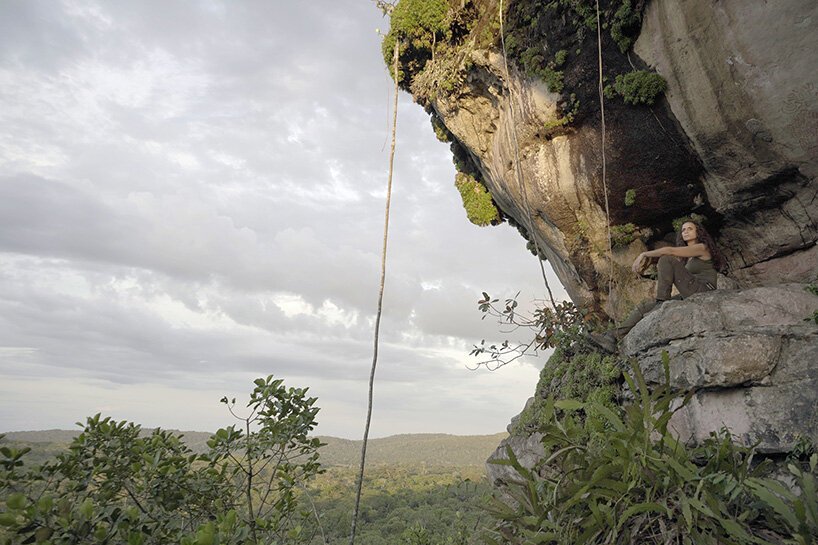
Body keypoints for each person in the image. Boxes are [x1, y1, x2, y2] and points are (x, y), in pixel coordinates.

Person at [589, 221, 727, 352]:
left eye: (690, 229)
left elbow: (670, 252)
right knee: (644, 307)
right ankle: (611, 337)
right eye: (683, 229)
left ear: (699, 232)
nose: (685, 231)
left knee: (666, 259)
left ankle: (661, 303)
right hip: (692, 292)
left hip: (704, 290)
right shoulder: (688, 256)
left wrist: (644, 254)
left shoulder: (702, 247)